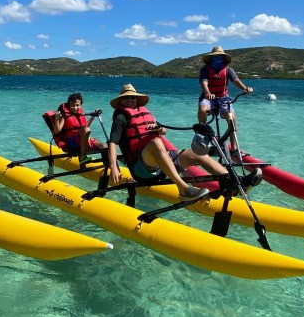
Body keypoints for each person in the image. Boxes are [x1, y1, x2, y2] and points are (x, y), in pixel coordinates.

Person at [107, 83, 261, 201]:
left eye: (132, 97)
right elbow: (112, 143)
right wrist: (114, 167)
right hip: (141, 168)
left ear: (137, 99)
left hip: (159, 162)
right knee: (156, 143)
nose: (129, 100)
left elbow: (164, 131)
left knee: (196, 154)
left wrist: (159, 129)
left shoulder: (144, 113)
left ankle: (232, 182)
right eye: (126, 98)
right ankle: (184, 189)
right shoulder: (121, 117)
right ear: (121, 100)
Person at [198, 46, 253, 155]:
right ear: (211, 58)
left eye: (219, 57)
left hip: (223, 97)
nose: (217, 59)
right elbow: (204, 83)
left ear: (223, 58)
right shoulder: (205, 69)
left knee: (232, 119)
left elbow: (236, 81)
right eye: (215, 57)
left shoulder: (228, 70)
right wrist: (208, 93)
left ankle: (234, 149)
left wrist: (245, 88)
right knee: (203, 110)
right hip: (208, 97)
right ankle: (202, 134)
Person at [45, 92, 107, 164]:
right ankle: (83, 157)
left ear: (81, 105)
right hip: (72, 142)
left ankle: (107, 167)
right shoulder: (65, 116)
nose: (75, 107)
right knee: (86, 130)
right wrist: (57, 118)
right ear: (69, 105)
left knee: (104, 146)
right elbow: (57, 131)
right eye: (72, 105)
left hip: (82, 139)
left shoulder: (79, 114)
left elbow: (85, 127)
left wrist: (93, 116)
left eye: (77, 105)